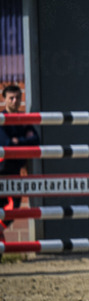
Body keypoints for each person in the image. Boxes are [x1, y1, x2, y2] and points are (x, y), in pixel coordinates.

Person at [0, 84, 39, 229]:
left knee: (14, 207)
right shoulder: (1, 119)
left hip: (15, 172)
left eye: (17, 97)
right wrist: (22, 140)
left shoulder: (23, 119)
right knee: (8, 207)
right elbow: (7, 143)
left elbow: (36, 140)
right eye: (11, 98)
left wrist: (18, 141)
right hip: (2, 171)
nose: (15, 101)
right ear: (4, 99)